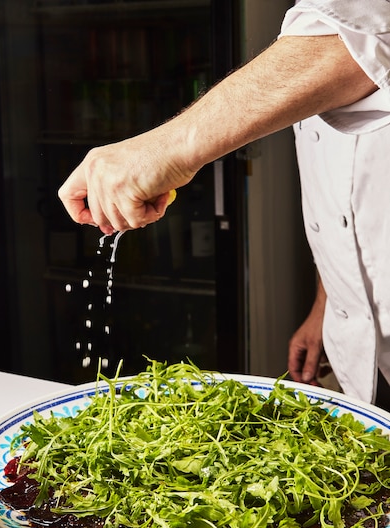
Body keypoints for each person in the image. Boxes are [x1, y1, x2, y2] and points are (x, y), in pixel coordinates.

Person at [58, 0, 390, 405]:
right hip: (356, 339)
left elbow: (355, 41)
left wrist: (164, 150)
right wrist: (329, 303)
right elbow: (348, 186)